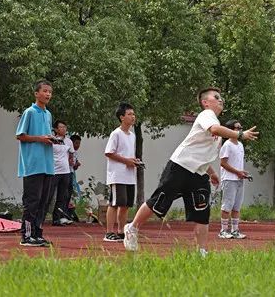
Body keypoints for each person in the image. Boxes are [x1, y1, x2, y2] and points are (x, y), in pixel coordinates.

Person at [123, 88, 258, 256]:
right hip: (180, 166)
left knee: (202, 212)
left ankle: (201, 251)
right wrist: (240, 134)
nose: (221, 100)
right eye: (216, 97)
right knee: (159, 201)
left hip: (199, 174)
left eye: (221, 98)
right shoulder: (207, 115)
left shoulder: (215, 124)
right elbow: (215, 130)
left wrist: (211, 172)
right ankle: (132, 228)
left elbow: (202, 153)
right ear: (205, 102)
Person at [15, 80, 56, 247]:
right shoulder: (30, 112)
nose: (48, 94)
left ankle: (37, 234)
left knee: (43, 202)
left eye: (50, 92)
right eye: (44, 91)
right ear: (36, 93)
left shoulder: (48, 114)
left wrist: (52, 139)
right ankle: (26, 235)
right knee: (32, 201)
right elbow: (20, 135)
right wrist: (40, 139)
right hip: (33, 165)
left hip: (47, 164)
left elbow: (45, 136)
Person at [104, 103, 139, 242]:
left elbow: (128, 153)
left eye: (133, 114)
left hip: (129, 175)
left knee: (125, 205)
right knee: (114, 203)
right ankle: (108, 232)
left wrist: (134, 161)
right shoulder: (116, 133)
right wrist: (126, 161)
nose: (133, 117)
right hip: (117, 175)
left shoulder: (132, 135)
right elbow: (109, 152)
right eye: (129, 114)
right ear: (121, 117)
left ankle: (120, 231)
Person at [218, 119, 252, 240]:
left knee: (237, 207)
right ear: (230, 130)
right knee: (227, 206)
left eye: (241, 128)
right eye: (238, 128)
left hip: (239, 179)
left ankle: (235, 230)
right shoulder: (227, 145)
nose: (240, 130)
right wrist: (237, 172)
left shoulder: (240, 145)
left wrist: (242, 172)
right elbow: (223, 163)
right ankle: (223, 230)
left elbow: (236, 163)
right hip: (229, 179)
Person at [48, 119, 75, 226]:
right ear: (56, 129)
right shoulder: (51, 139)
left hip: (65, 172)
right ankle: (40, 217)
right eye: (61, 127)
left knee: (62, 196)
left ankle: (57, 218)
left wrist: (71, 161)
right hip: (53, 171)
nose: (64, 129)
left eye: (65, 127)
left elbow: (71, 154)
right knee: (49, 195)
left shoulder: (68, 141)